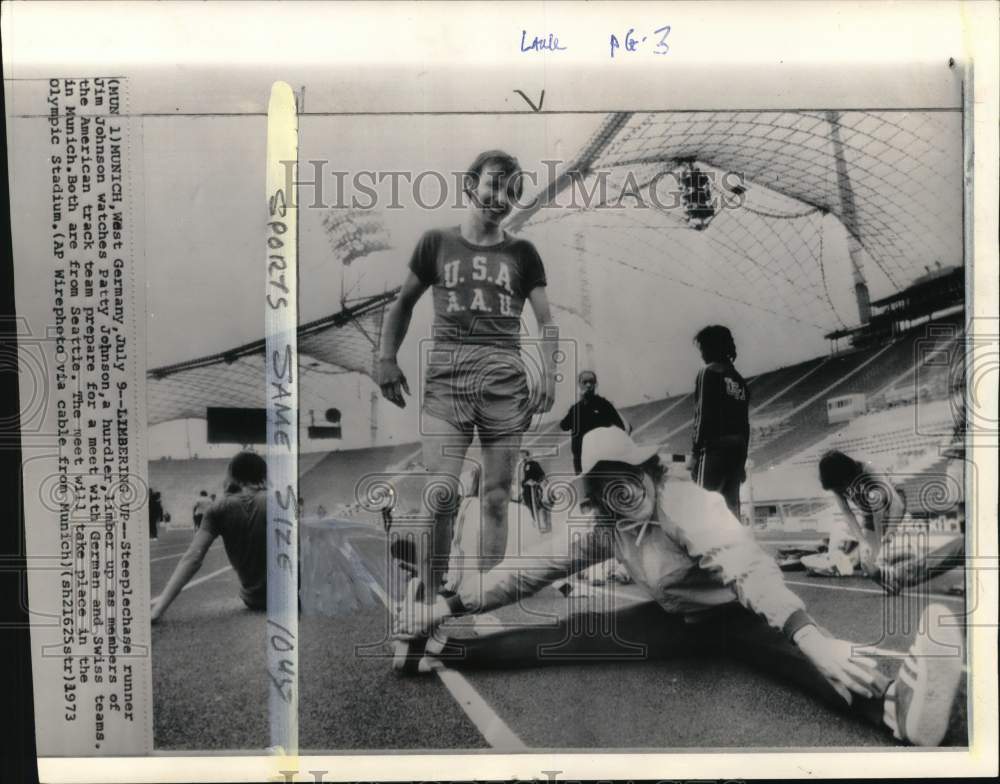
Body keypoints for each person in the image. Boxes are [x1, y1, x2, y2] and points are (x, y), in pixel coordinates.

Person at [396, 427, 964, 747]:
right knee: (571, 634)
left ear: (648, 471)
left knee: (797, 654)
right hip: (676, 622)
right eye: (608, 485)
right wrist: (445, 607)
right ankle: (441, 650)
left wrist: (810, 637)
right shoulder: (605, 528)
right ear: (598, 492)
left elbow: (747, 567)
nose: (624, 492)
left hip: (737, 612)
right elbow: (530, 569)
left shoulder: (685, 502)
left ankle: (893, 706)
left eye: (630, 476)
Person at [377, 149, 558, 664]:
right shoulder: (436, 242)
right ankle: (430, 599)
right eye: (495, 185)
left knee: (498, 498)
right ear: (471, 184)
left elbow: (547, 322)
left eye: (512, 191)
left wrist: (548, 372)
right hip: (448, 380)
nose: (502, 198)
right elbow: (402, 305)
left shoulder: (524, 253)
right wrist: (385, 359)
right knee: (441, 495)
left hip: (504, 381)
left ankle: (466, 605)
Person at [818, 450, 965, 594]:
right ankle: (874, 560)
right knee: (868, 563)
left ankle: (900, 558)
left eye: (840, 486)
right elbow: (847, 513)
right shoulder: (836, 483)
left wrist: (889, 532)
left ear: (846, 475)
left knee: (875, 501)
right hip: (870, 519)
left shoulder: (869, 471)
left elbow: (897, 505)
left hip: (895, 515)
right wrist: (862, 542)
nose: (841, 490)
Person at [151, 451, 268, 621]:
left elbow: (192, 558)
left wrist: (157, 610)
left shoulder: (218, 509)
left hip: (254, 599)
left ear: (231, 475)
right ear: (263, 476)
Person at [690, 325, 750, 518]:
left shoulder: (707, 372)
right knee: (731, 509)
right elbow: (745, 424)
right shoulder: (739, 379)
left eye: (701, 349)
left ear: (709, 347)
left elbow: (702, 416)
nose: (701, 354)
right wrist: (742, 462)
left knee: (704, 506)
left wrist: (694, 453)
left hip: (714, 449)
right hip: (738, 449)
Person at [559, 370, 626, 474]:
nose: (588, 385)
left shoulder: (604, 404)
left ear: (596, 384)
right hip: (581, 460)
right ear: (579, 385)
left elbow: (620, 427)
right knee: (585, 488)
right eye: (584, 382)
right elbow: (563, 426)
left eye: (591, 381)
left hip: (602, 457)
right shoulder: (575, 409)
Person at [517, 449, 548, 530]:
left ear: (528, 455)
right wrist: (525, 483)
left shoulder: (534, 464)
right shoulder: (523, 466)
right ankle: (536, 521)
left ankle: (542, 522)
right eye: (521, 456)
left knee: (537, 504)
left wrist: (536, 482)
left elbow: (542, 475)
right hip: (527, 490)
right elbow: (523, 479)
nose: (523, 457)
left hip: (534, 488)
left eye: (524, 455)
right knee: (529, 505)